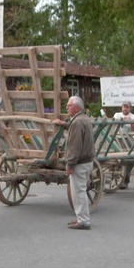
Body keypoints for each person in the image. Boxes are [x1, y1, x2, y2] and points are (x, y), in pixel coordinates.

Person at [53, 96, 95, 230]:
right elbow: (75, 129)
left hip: (80, 163)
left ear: (77, 108)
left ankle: (83, 221)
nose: (66, 108)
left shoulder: (77, 122)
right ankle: (81, 218)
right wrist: (64, 124)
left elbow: (75, 146)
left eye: (69, 105)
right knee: (79, 191)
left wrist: (69, 164)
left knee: (78, 192)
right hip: (87, 161)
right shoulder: (83, 119)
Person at [113, 102, 134, 189]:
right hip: (118, 138)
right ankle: (117, 179)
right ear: (122, 107)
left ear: (130, 108)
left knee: (130, 159)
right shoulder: (117, 115)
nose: (125, 109)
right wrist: (122, 120)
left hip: (129, 139)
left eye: (127, 107)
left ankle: (124, 180)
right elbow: (114, 125)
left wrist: (130, 121)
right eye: (124, 107)